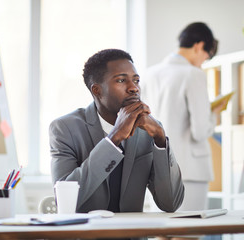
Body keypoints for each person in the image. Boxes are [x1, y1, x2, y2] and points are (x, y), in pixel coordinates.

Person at [49, 49, 184, 215]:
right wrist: (114, 138)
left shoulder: (149, 130)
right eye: (121, 80)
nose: (134, 88)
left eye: (136, 80)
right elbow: (66, 202)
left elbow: (171, 203)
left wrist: (160, 139)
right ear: (97, 90)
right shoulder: (65, 129)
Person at [141, 22, 226, 211]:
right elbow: (200, 131)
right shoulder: (194, 74)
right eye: (208, 55)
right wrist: (214, 114)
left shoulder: (149, 74)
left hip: (158, 168)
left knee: (163, 231)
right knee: (187, 232)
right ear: (198, 46)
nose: (205, 60)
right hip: (190, 170)